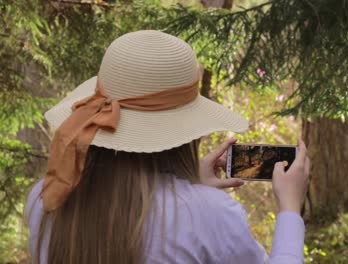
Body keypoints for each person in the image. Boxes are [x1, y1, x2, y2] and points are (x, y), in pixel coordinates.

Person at [26, 30, 310, 264]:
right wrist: (289, 207)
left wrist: (187, 186)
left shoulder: (46, 198)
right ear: (186, 131)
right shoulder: (211, 215)